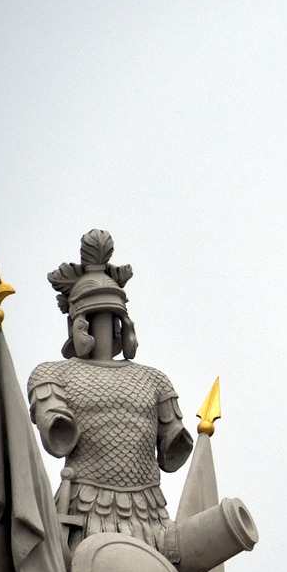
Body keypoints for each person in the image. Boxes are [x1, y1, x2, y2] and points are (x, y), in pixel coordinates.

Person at [28, 229, 193, 553]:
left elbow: (173, 450)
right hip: (84, 509)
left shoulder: (155, 380)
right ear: (77, 321)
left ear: (125, 323)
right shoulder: (52, 375)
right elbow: (58, 437)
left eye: (114, 317)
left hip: (150, 509)